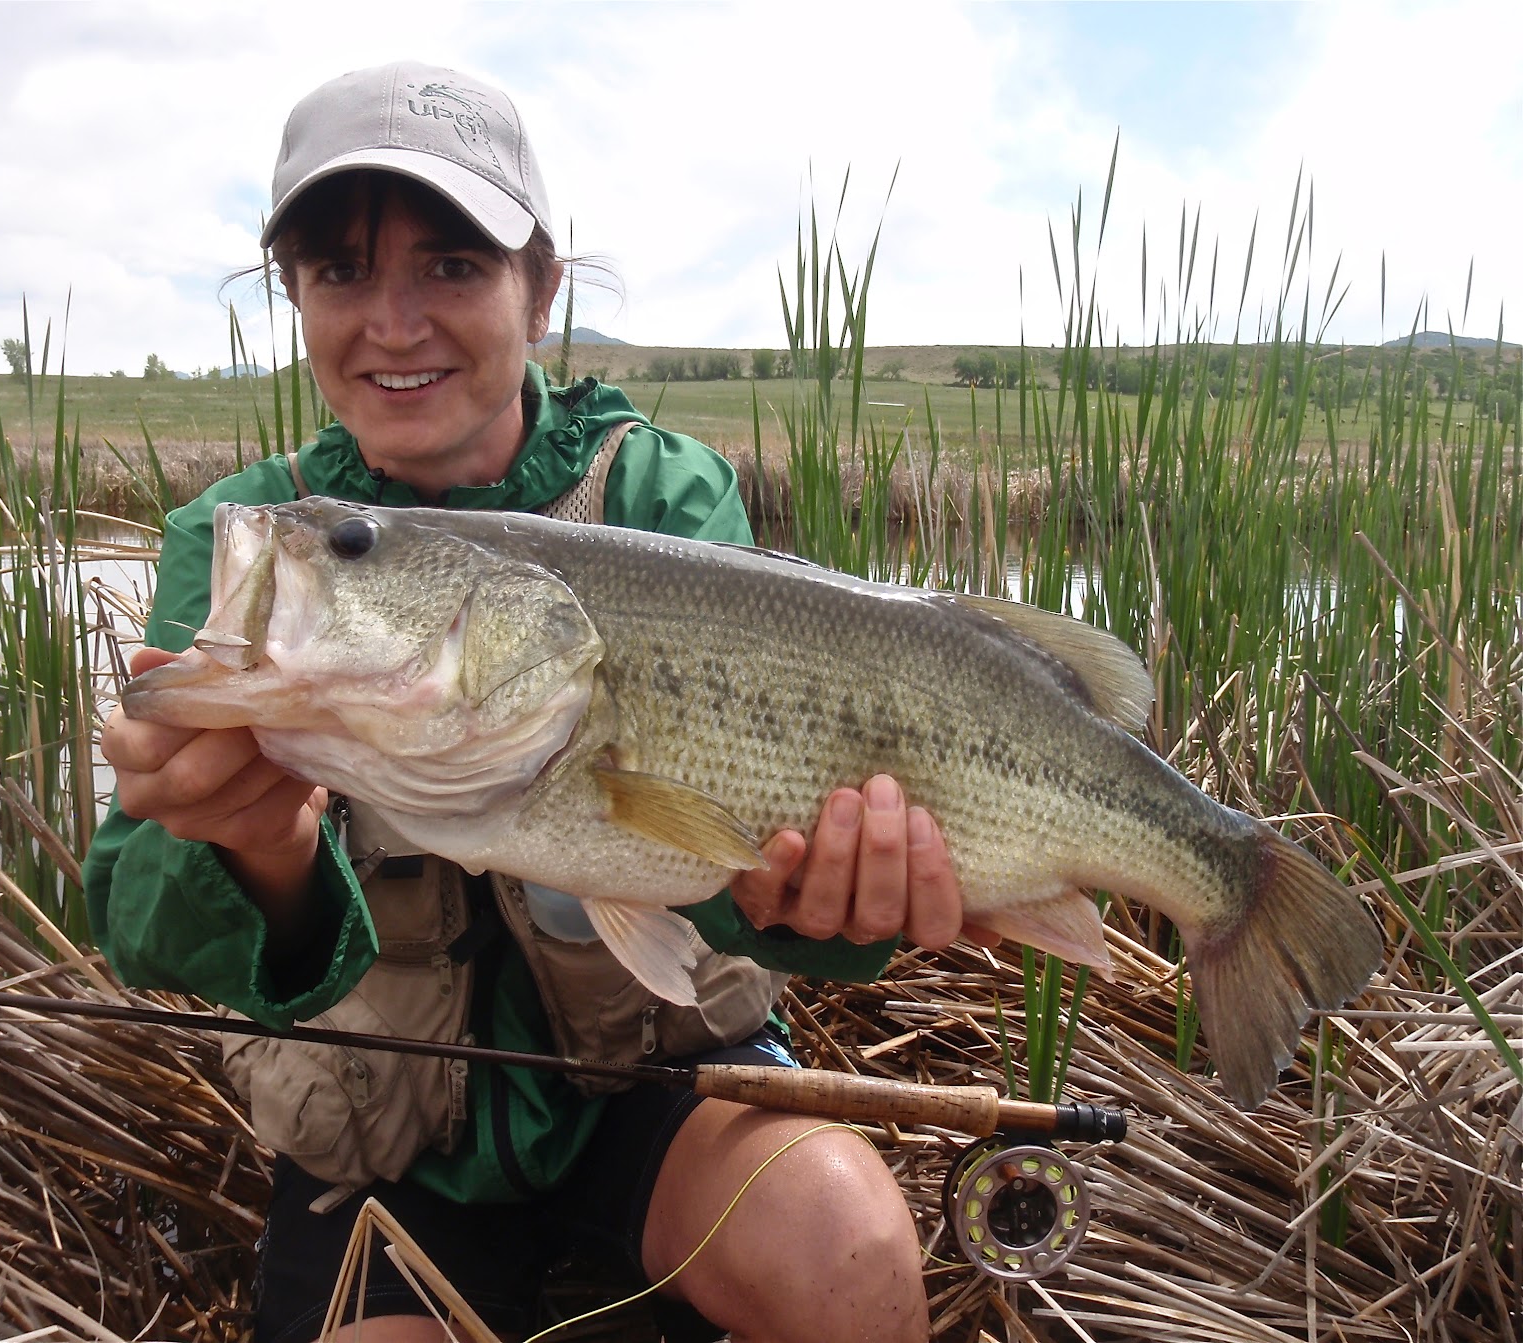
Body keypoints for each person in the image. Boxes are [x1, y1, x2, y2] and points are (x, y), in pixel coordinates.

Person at [84, 61, 992, 1343]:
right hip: (387, 1141)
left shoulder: (662, 502)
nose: (393, 322)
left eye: (451, 265)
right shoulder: (250, 548)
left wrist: (829, 907)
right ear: (293, 296)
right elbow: (139, 921)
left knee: (843, 1247)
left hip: (666, 1094)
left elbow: (755, 878)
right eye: (339, 272)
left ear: (539, 286)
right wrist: (256, 852)